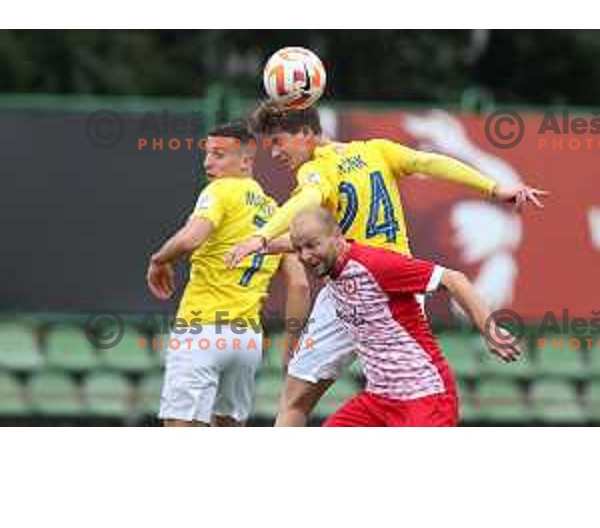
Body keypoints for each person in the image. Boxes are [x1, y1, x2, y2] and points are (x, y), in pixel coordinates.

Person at [226, 104, 546, 427]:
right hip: (395, 283)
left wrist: (262, 237)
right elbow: (429, 162)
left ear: (307, 134)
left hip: (358, 284)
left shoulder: (316, 171)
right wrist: (493, 188)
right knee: (393, 383)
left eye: (279, 141)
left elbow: (306, 200)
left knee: (294, 401)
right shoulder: (376, 151)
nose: (276, 152)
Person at [289, 207, 521, 427]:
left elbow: (454, 280)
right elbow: (294, 243)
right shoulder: (329, 267)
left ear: (337, 237)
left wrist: (490, 331)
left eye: (312, 245)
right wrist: (259, 242)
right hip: (379, 399)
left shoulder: (375, 264)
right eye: (298, 249)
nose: (305, 256)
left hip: (425, 396)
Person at [147, 120, 310, 427]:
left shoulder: (220, 191)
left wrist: (158, 260)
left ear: (246, 161)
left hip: (201, 330)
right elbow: (300, 286)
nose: (209, 162)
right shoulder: (275, 212)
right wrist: (291, 343)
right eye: (207, 154)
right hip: (247, 341)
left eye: (219, 154)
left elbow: (191, 238)